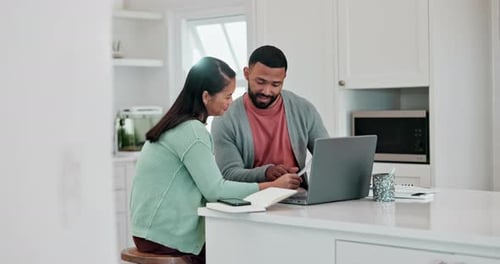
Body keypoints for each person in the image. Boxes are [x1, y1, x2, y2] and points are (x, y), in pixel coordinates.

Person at [129, 57, 302, 264]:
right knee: (246, 251)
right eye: (227, 96)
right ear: (205, 96)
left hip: (148, 233)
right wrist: (272, 186)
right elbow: (216, 190)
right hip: (166, 238)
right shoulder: (192, 131)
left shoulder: (176, 125)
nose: (231, 102)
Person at [211, 45, 329, 184]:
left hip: (297, 197)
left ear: (284, 78)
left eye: (275, 84)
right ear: (247, 73)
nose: (267, 91)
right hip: (252, 200)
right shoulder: (225, 118)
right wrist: (266, 173)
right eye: (260, 82)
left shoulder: (304, 109)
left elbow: (327, 156)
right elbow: (229, 173)